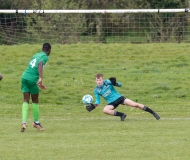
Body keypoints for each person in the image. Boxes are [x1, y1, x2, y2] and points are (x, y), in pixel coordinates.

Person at [86, 73, 160, 121]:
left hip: (119, 98)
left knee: (135, 105)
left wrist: (115, 83)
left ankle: (153, 112)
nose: (99, 81)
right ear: (95, 81)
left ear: (103, 79)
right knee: (105, 110)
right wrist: (93, 106)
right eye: (97, 80)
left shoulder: (107, 82)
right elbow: (98, 101)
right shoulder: (96, 90)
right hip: (111, 103)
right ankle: (122, 115)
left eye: (100, 80)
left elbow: (120, 85)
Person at [20, 43, 51, 132]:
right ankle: (36, 122)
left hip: (24, 77)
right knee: (35, 100)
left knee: (26, 99)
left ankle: (24, 123)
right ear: (49, 50)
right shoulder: (45, 56)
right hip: (32, 79)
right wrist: (40, 78)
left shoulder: (36, 54)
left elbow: (32, 66)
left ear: (42, 48)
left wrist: (39, 82)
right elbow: (40, 64)